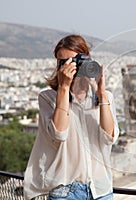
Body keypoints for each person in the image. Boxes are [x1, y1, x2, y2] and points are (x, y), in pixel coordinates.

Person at [24, 34, 119, 200]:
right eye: (62, 62)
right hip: (65, 191)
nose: (68, 67)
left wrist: (102, 95)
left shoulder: (105, 97)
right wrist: (63, 88)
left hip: (100, 189)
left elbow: (109, 137)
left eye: (73, 61)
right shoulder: (48, 98)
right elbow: (59, 134)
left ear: (85, 61)